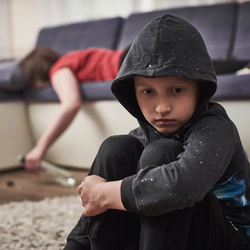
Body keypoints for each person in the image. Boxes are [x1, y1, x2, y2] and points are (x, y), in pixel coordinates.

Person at [64, 14, 250, 249]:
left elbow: (184, 186)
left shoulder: (216, 127)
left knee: (162, 153)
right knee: (116, 148)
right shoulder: (141, 135)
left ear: (199, 89)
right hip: (171, 237)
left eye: (177, 89)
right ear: (133, 93)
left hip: (231, 238)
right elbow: (92, 208)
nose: (162, 108)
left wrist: (105, 193)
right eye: (148, 92)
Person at [19, 46, 130, 172]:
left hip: (127, 62)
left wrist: (40, 148)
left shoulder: (58, 69)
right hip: (129, 56)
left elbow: (71, 104)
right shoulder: (70, 57)